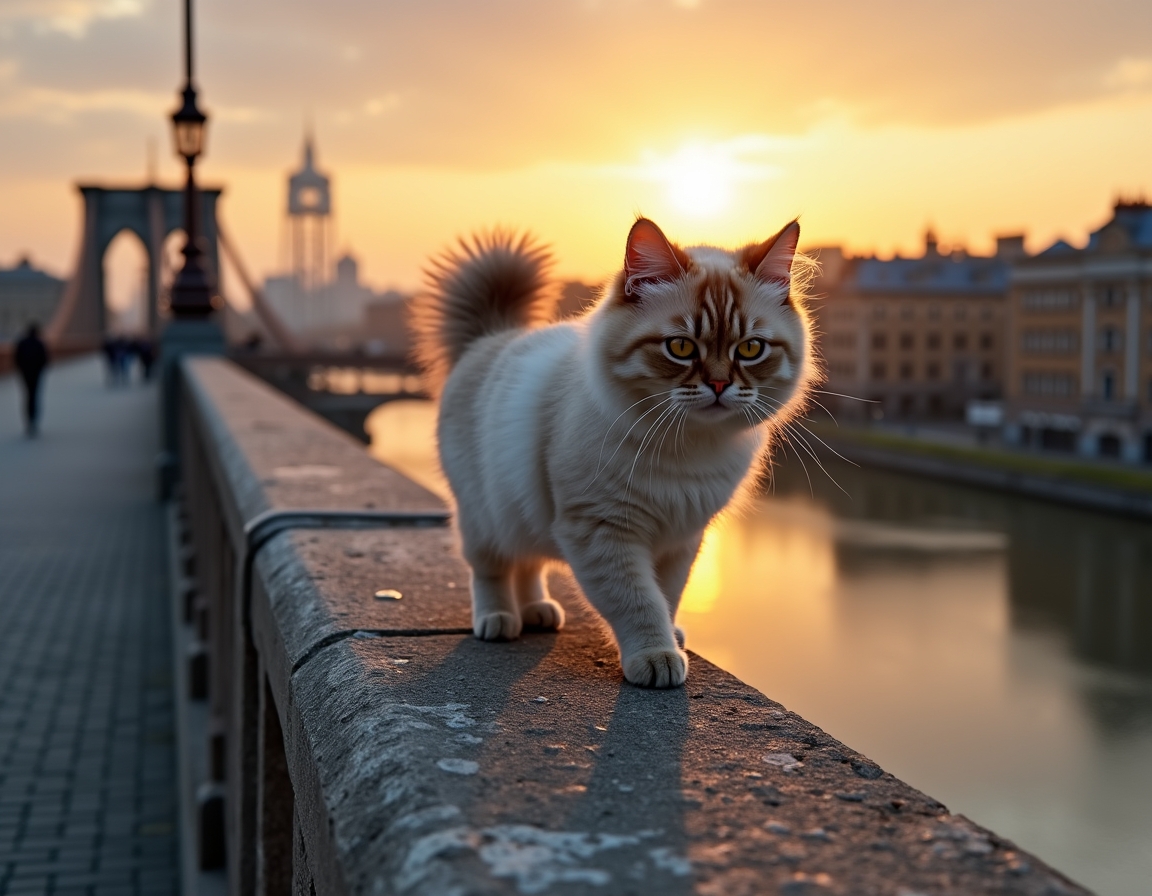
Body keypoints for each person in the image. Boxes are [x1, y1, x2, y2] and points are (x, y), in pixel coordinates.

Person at [14, 322, 49, 436]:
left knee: (27, 396)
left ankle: (28, 422)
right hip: (36, 374)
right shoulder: (39, 343)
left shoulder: (22, 343)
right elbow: (45, 359)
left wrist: (21, 370)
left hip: (25, 374)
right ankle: (33, 421)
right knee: (34, 396)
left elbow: (16, 358)